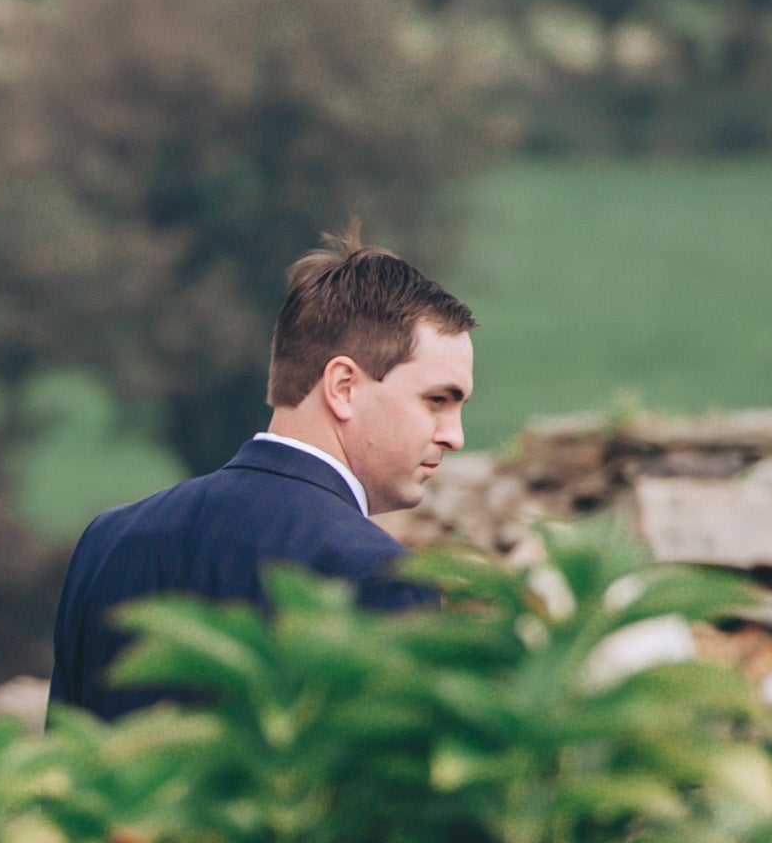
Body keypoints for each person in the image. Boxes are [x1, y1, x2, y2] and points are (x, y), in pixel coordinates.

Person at [47, 237, 477, 719]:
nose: (454, 437)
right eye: (437, 400)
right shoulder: (383, 577)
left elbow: (65, 773)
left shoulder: (108, 541)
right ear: (343, 387)